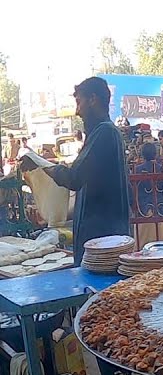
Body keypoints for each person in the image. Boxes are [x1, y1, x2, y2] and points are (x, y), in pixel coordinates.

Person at [46, 77, 130, 265]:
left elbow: (74, 178)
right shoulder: (102, 133)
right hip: (102, 239)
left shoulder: (105, 132)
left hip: (103, 243)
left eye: (79, 102)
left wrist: (45, 167)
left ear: (93, 99)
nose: (77, 111)